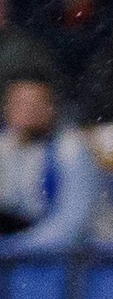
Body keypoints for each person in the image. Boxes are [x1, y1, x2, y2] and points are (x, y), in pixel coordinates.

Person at [0, 73, 105, 247]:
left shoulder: (71, 149)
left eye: (36, 104)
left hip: (82, 257)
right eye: (20, 104)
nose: (28, 111)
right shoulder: (4, 145)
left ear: (52, 108)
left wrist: (14, 249)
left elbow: (71, 222)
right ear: (6, 108)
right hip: (20, 250)